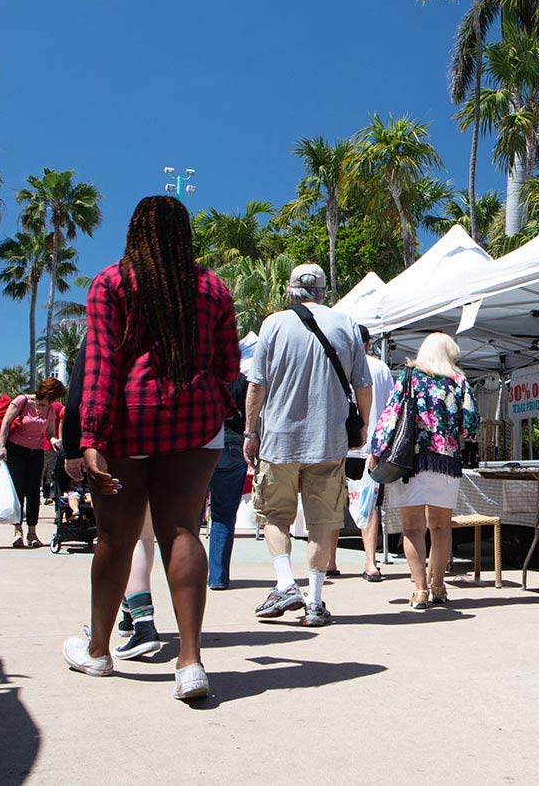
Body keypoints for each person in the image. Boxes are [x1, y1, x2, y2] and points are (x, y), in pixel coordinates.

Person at [63, 196, 239, 703]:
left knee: (114, 538)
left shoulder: (112, 283)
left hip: (127, 425)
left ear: (134, 230)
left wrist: (89, 436)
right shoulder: (211, 287)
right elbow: (229, 366)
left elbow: (99, 368)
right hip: (197, 425)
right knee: (183, 529)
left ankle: (98, 650)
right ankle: (190, 663)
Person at [245, 264, 372, 628]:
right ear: (323, 291)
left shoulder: (273, 324)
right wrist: (363, 426)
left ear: (291, 291)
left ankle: (286, 584)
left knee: (274, 516)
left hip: (278, 442)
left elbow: (257, 385)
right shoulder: (345, 323)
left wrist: (251, 432)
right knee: (323, 522)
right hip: (328, 442)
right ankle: (315, 602)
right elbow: (363, 384)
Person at [63, 337, 165, 661]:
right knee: (144, 536)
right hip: (166, 442)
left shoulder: (107, 322)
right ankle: (129, 613)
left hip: (118, 443)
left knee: (121, 538)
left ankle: (143, 621)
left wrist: (71, 446)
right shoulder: (167, 323)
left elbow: (80, 388)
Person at [370, 333, 481, 609]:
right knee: (442, 527)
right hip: (445, 461)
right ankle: (439, 586)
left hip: (410, 460)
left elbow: (390, 415)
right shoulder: (459, 382)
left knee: (412, 528)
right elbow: (470, 423)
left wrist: (376, 449)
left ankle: (420, 590)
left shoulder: (409, 377)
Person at [342, 324, 395, 582]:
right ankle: (371, 563)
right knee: (370, 504)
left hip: (344, 446)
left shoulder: (342, 365)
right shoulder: (382, 368)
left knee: (333, 503)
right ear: (368, 343)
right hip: (374, 448)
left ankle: (330, 561)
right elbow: (391, 410)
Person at [0, 377, 66, 548]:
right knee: (18, 490)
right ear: (49, 393)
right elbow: (5, 423)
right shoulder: (23, 401)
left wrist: (54, 441)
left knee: (34, 491)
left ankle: (32, 532)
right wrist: (2, 446)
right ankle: (17, 531)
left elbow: (49, 432)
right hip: (16, 450)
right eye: (55, 396)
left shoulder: (50, 410)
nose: (56, 401)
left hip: (36, 452)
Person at [205, 368, 250, 591]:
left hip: (199, 447)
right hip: (232, 444)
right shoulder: (239, 378)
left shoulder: (195, 375)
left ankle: (185, 572)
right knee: (224, 515)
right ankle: (218, 576)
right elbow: (249, 412)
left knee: (188, 518)